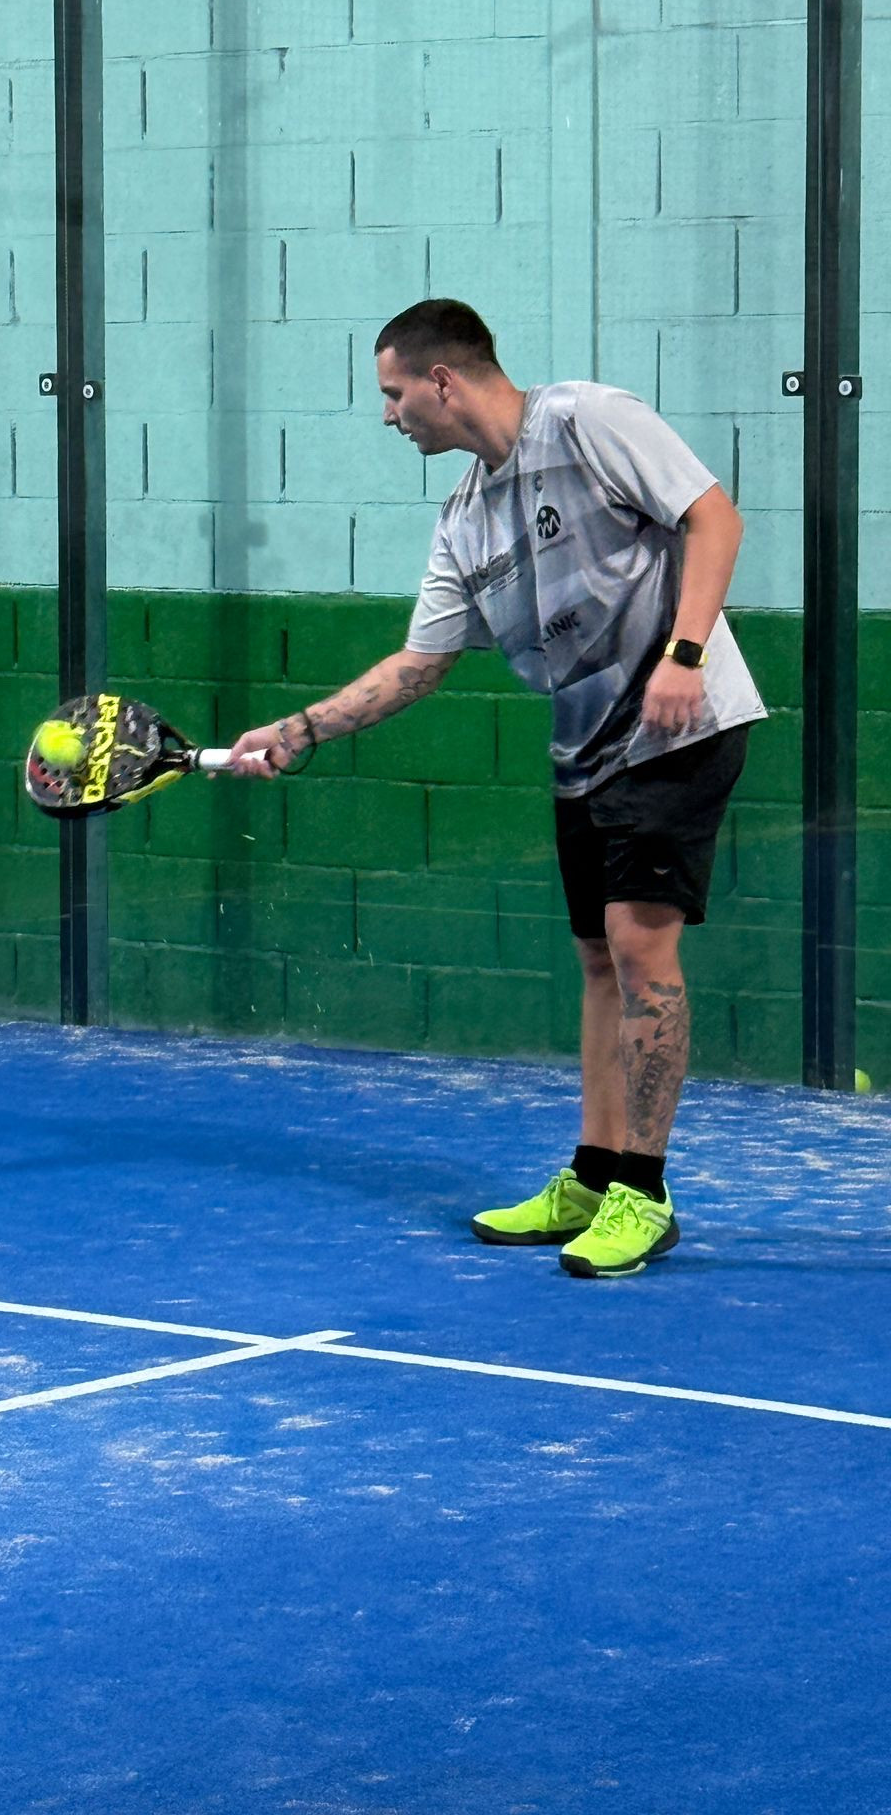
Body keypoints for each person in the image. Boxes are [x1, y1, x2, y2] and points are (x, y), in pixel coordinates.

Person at [226, 298, 767, 1279]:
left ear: (442, 379)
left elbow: (713, 516)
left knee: (640, 945)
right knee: (599, 958)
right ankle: (594, 1176)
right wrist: (300, 729)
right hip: (585, 744)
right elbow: (420, 663)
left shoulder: (587, 421)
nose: (388, 415)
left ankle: (644, 1193)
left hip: (678, 722)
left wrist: (684, 655)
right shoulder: (464, 521)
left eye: (394, 393)